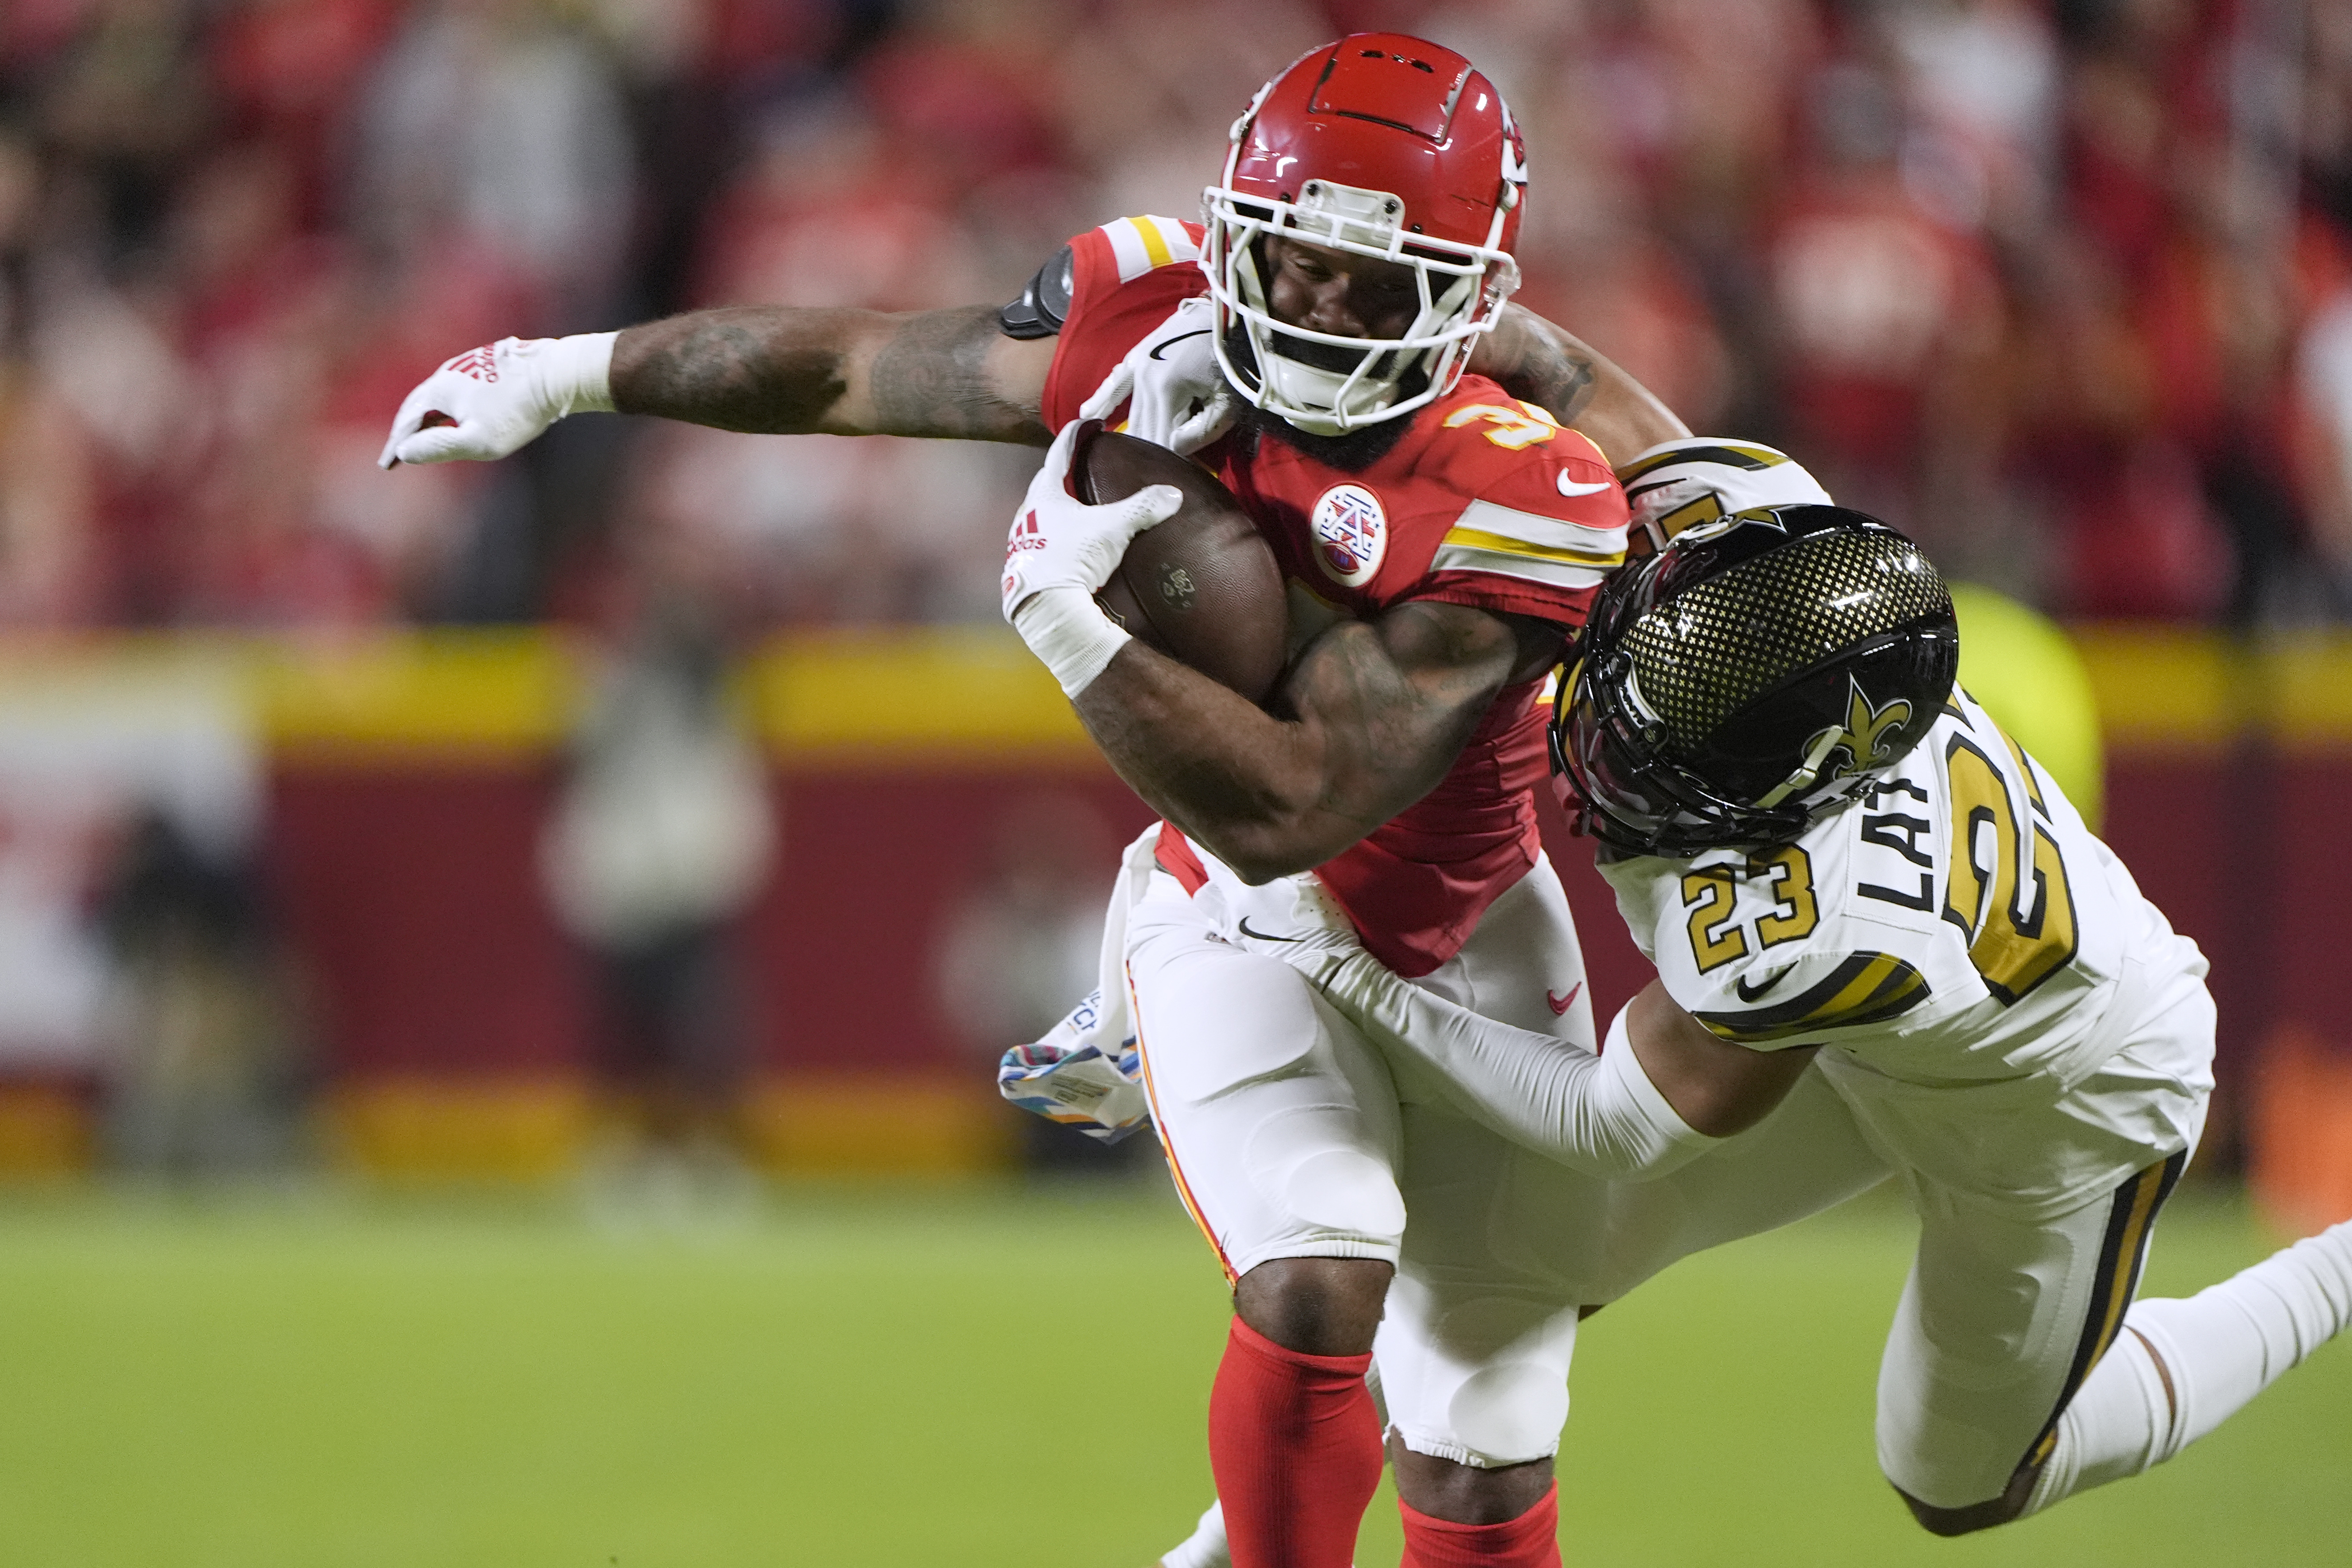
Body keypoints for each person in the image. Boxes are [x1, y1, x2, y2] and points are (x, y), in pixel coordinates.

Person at [381, 34, 1687, 1568]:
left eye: (1375, 281)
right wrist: (564, 370)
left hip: (1458, 930)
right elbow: (851, 367)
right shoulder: (1152, 324)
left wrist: (1063, 620)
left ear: (1473, 300)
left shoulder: (1525, 484)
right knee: (1318, 1274)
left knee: (1479, 1445)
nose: (1321, 309)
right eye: (1292, 262)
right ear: (1229, 235)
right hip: (1240, 917)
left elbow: (1302, 797)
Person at [1227, 500, 2352, 1540]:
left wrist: (1352, 975)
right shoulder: (1782, 584)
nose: (1608, 743)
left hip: (2061, 1107)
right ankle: (1226, 1548)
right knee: (1519, 1269)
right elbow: (1618, 413)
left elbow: (1613, 1122)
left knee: (1958, 1484)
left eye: (1658, 747)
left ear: (1780, 798)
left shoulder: (1814, 926)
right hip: (1898, 1025)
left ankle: (2341, 1268)